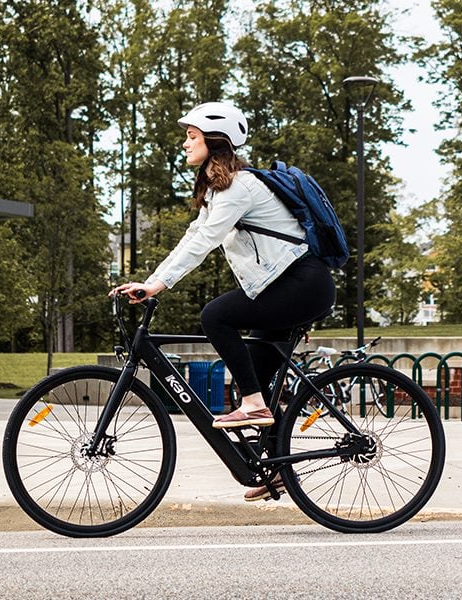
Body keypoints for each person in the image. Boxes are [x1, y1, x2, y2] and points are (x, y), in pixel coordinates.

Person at [110, 102, 335, 500]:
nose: (184, 143)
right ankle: (277, 469)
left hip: (303, 284)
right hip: (283, 287)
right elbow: (193, 235)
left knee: (215, 317)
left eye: (191, 136)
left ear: (215, 142)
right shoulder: (221, 191)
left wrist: (157, 285)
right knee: (252, 383)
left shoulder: (240, 187)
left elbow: (204, 242)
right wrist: (151, 280)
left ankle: (257, 408)